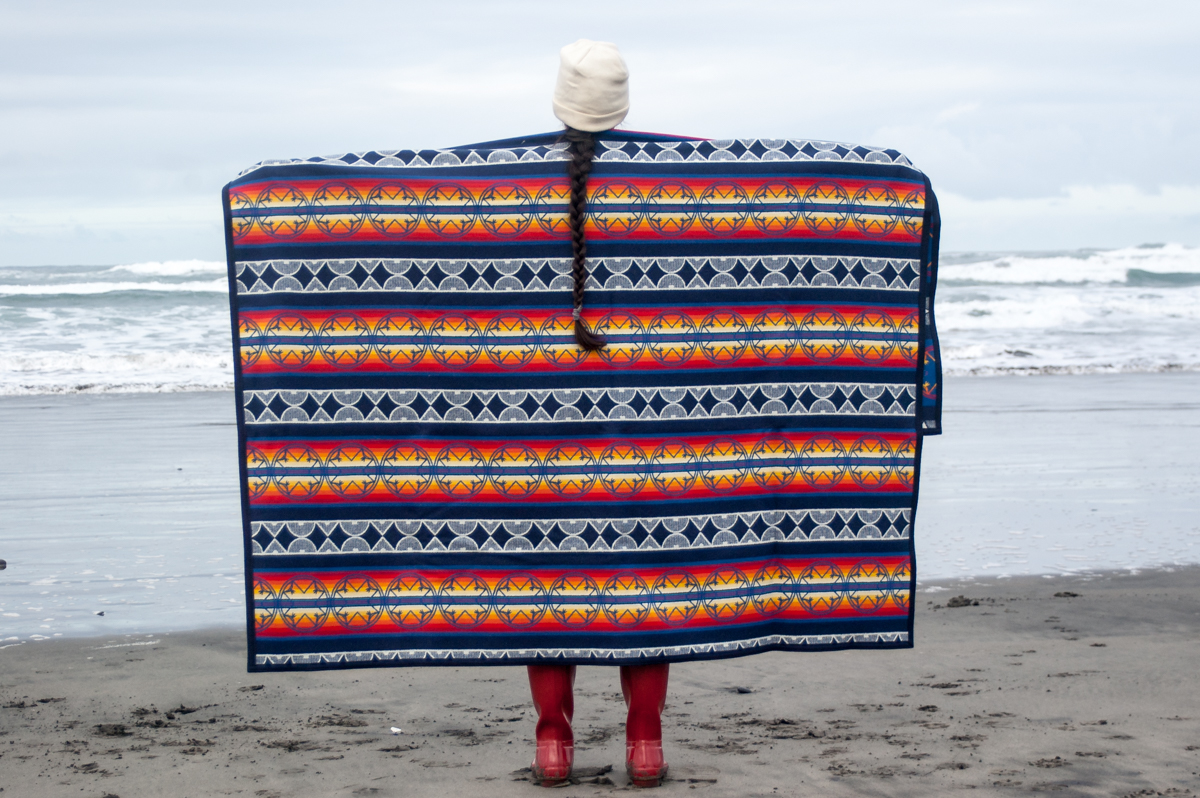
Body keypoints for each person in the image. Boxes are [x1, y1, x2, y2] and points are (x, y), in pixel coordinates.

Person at [526, 40, 671, 789]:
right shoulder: (678, 181)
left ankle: (554, 745)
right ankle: (644, 744)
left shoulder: (506, 184)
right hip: (642, 422)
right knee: (643, 580)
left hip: (544, 427)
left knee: (552, 582)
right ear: (623, 104)